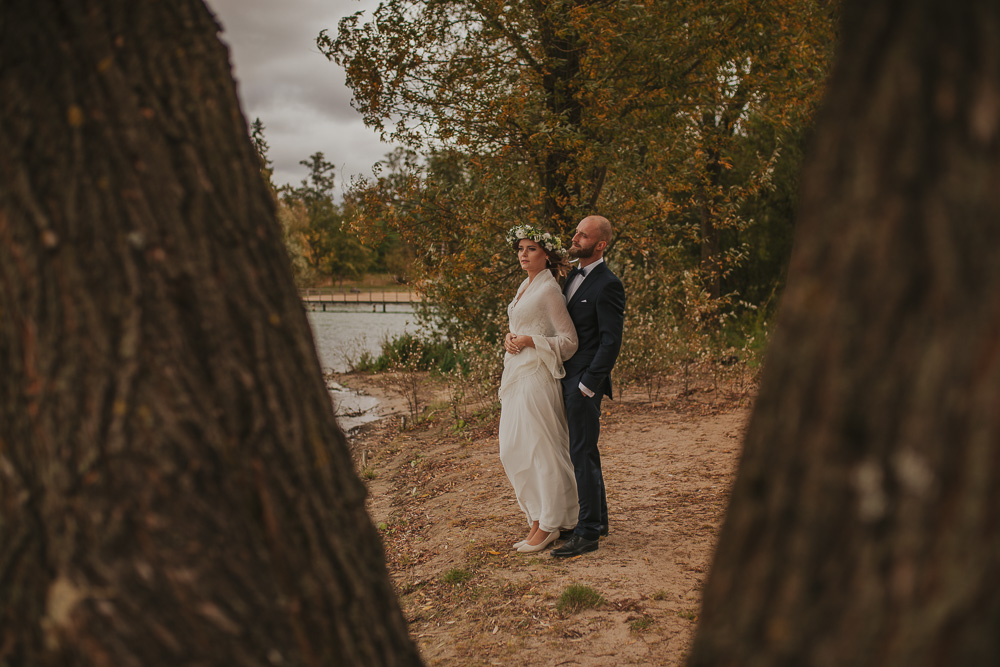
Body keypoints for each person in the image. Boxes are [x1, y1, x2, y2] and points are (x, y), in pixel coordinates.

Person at [499, 224, 580, 553]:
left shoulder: (549, 291)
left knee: (540, 448)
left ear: (546, 254)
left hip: (537, 376)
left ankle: (550, 525)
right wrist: (509, 337)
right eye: (520, 248)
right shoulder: (524, 285)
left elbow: (570, 342)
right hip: (517, 374)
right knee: (513, 447)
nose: (523, 254)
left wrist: (532, 341)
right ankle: (536, 517)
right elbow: (519, 325)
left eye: (531, 248)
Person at [549, 215, 626, 559]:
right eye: (576, 232)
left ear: (601, 245)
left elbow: (611, 342)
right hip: (566, 377)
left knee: (582, 454)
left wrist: (588, 385)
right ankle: (600, 521)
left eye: (584, 235)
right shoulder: (570, 278)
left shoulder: (609, 284)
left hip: (582, 383)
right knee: (582, 452)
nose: (576, 238)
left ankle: (588, 533)